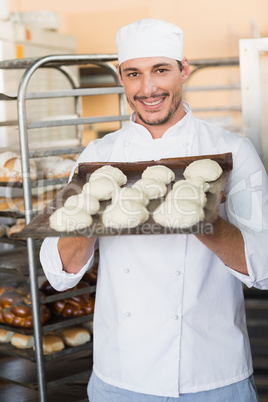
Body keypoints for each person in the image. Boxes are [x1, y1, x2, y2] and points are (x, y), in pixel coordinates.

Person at [40, 19, 268, 401]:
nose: (148, 88)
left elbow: (265, 270)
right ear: (121, 78)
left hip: (213, 374)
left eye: (160, 70)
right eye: (134, 74)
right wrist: (92, 215)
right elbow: (57, 274)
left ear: (184, 70)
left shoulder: (234, 151)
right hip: (121, 377)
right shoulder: (99, 158)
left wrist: (204, 220)